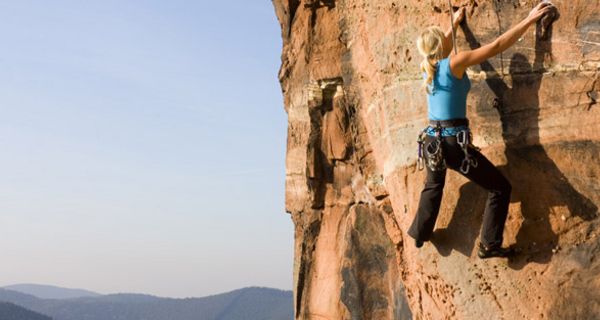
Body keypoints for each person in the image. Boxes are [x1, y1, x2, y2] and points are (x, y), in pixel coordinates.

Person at [407, 2, 556, 259]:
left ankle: (420, 234)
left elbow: (438, 42)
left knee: (433, 186)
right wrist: (530, 19)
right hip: (455, 143)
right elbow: (496, 46)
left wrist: (454, 22)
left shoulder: (426, 67)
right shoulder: (455, 62)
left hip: (432, 140)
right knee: (499, 188)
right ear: (439, 45)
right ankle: (489, 244)